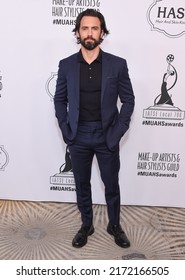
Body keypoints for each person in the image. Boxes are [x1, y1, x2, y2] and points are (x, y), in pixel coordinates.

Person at [54, 9, 135, 248]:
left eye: (95, 28)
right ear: (78, 32)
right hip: (77, 136)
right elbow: (60, 100)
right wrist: (65, 128)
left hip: (106, 135)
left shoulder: (117, 65)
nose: (90, 33)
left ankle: (114, 225)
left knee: (111, 184)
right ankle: (86, 224)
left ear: (102, 32)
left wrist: (117, 131)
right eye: (85, 28)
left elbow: (128, 100)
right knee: (82, 184)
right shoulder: (66, 65)